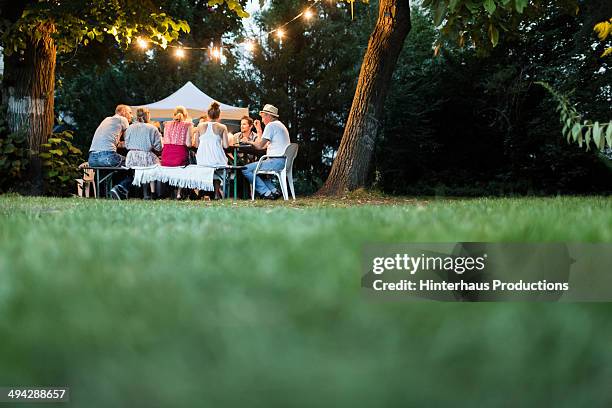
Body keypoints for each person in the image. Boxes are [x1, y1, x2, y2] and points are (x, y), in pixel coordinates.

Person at [242, 104, 290, 199]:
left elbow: (260, 146)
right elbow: (264, 144)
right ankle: (274, 191)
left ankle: (266, 193)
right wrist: (259, 129)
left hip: (276, 161)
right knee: (260, 172)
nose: (262, 119)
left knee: (246, 169)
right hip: (283, 161)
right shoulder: (280, 125)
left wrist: (247, 141)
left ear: (268, 116)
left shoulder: (271, 126)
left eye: (263, 117)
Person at [88, 104, 133, 199]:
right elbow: (130, 139)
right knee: (135, 164)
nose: (132, 116)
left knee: (109, 173)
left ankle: (105, 195)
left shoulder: (106, 120)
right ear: (123, 112)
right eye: (130, 112)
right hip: (107, 157)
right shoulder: (122, 119)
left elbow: (115, 142)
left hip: (92, 158)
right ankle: (120, 188)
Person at [194, 102, 230, 198]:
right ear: (219, 115)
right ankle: (216, 193)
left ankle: (203, 193)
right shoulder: (222, 127)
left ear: (207, 114)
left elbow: (196, 144)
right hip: (217, 160)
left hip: (202, 160)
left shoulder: (200, 126)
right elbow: (226, 146)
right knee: (218, 169)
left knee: (209, 168)